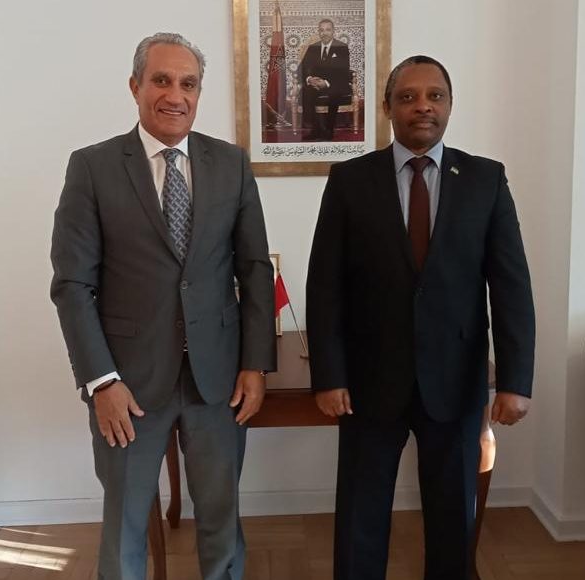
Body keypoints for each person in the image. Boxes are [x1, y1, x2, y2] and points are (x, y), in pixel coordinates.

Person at [50, 33, 276, 580]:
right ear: (135, 86)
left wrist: (255, 364)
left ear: (199, 93)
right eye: (161, 80)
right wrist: (102, 382)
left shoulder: (230, 164)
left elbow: (254, 269)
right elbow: (73, 285)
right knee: (126, 521)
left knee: (220, 517)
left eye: (188, 83)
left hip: (217, 381)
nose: (175, 95)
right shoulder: (93, 167)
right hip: (127, 386)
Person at [306, 55, 535, 580]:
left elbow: (511, 286)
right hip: (369, 383)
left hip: (456, 382)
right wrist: (329, 375)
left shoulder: (485, 180)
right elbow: (325, 286)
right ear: (388, 107)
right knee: (361, 516)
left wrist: (515, 381)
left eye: (435, 95)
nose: (422, 106)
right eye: (407, 97)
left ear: (450, 105)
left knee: (453, 518)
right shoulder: (349, 180)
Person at [299, 18, 350, 141]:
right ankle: (315, 130)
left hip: (334, 83)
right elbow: (303, 68)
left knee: (335, 92)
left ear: (333, 31)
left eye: (328, 30)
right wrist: (310, 79)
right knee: (306, 91)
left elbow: (343, 71)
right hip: (316, 83)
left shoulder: (342, 47)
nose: (324, 33)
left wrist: (326, 83)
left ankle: (328, 130)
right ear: (319, 32)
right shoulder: (313, 47)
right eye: (321, 30)